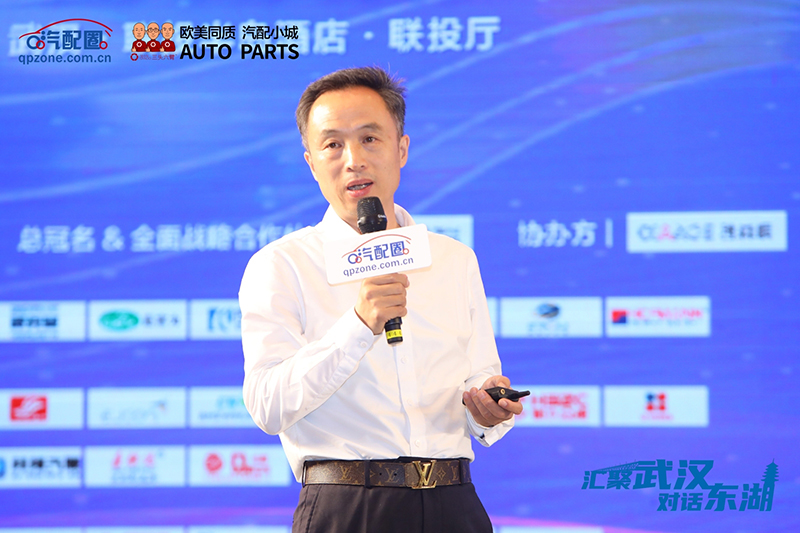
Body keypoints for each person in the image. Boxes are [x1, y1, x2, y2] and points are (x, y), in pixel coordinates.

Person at [240, 66, 522, 533]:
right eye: (333, 144)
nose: (354, 160)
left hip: (454, 502)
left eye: (370, 139)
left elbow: (479, 376)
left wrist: (488, 408)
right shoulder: (282, 264)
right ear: (311, 162)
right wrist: (358, 324)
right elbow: (268, 405)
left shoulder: (452, 259)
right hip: (349, 507)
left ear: (401, 149)